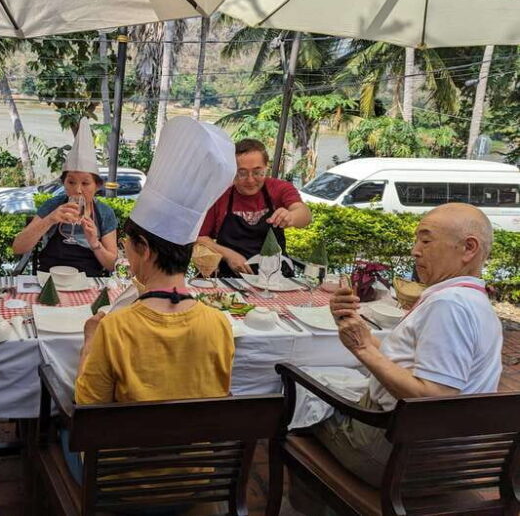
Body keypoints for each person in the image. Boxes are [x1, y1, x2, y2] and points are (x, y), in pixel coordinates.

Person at [70, 118, 238, 511]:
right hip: (197, 478)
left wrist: (90, 341)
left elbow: (87, 411)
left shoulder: (116, 327)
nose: (127, 255)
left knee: (58, 433)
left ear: (143, 248)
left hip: (122, 482)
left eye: (127, 246)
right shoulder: (219, 323)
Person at [308, 202, 503, 488]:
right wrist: (349, 322)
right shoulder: (471, 299)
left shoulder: (450, 304)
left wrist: (362, 349)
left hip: (401, 456)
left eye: (425, 240)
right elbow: (397, 359)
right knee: (322, 389)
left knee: (297, 403)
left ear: (468, 248)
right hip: (441, 455)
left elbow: (433, 397)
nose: (415, 250)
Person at [12, 118, 117, 277]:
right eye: (71, 182)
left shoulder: (104, 213)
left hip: (88, 281)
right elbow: (18, 247)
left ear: (97, 186)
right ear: (64, 183)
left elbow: (111, 265)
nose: (78, 190)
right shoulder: (53, 205)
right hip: (49, 280)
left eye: (85, 183)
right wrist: (50, 220)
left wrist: (95, 243)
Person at [197, 138, 311, 277]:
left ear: (266, 168)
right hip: (231, 277)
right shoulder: (220, 194)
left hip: (277, 278)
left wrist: (291, 217)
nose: (250, 180)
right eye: (242, 173)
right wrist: (228, 255)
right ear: (232, 171)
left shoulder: (279, 188)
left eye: (257, 172)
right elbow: (201, 237)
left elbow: (305, 215)